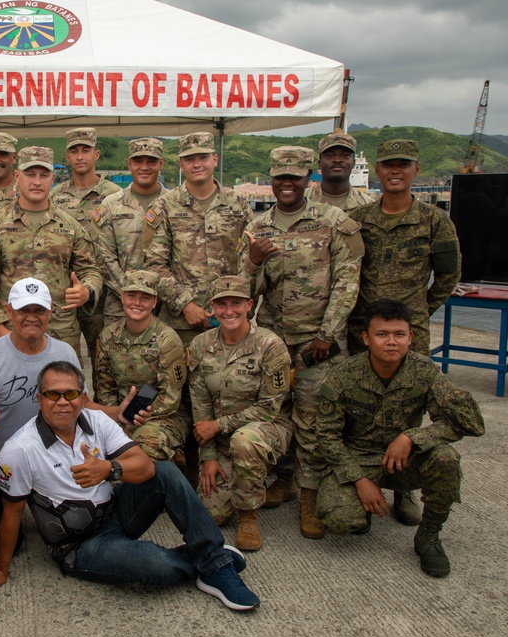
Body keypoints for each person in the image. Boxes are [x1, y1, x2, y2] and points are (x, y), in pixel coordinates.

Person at [0, 360, 260, 612]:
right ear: (39, 398)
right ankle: (207, 556)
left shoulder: (98, 420)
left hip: (115, 514)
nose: (62, 402)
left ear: (83, 397)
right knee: (158, 566)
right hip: (79, 546)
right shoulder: (18, 449)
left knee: (165, 470)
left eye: (71, 394)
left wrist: (109, 469)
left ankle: (215, 562)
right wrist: (2, 569)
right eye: (53, 394)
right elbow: (12, 513)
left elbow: (146, 467)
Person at [239, 146, 364, 539]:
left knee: (312, 417)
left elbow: (347, 281)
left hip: (318, 343)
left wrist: (328, 334)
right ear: (272, 180)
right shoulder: (258, 227)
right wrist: (254, 262)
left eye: (295, 176)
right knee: (278, 412)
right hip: (273, 341)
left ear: (309, 177)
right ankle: (286, 480)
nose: (287, 183)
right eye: (280, 177)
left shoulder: (333, 221)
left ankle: (309, 496)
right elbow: (246, 295)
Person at [316, 299, 484, 577]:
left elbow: (469, 424)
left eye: (399, 334)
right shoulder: (344, 375)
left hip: (407, 460)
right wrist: (359, 480)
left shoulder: (425, 371)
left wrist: (413, 437)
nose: (391, 342)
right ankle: (368, 501)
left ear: (411, 337)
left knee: (446, 459)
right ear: (366, 338)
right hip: (362, 459)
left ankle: (428, 535)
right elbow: (327, 435)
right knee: (340, 519)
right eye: (382, 335)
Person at [0, 277, 80, 556]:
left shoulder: (65, 354)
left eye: (39, 311)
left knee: (75, 531)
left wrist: (116, 413)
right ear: (8, 311)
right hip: (0, 461)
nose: (31, 318)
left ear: (51, 313)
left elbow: (80, 403)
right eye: (24, 310)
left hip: (50, 457)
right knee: (4, 547)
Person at [187, 276, 293, 551]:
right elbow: (200, 403)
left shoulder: (270, 345)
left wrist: (218, 425)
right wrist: (208, 456)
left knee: (244, 441)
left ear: (249, 305)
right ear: (212, 307)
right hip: (220, 439)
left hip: (265, 429)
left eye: (236, 303)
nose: (229, 311)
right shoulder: (200, 344)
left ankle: (248, 517)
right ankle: (244, 473)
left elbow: (270, 407)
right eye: (221, 304)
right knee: (213, 515)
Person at [0, 145, 102, 352]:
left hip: (60, 331)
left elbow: (90, 271)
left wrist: (88, 291)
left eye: (44, 175)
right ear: (17, 176)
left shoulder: (70, 226)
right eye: (30, 174)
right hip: (12, 329)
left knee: (64, 385)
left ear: (53, 178)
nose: (37, 182)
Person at [347, 139, 461, 356]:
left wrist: (419, 309)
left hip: (410, 330)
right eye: (389, 165)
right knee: (359, 386)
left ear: (416, 169)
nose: (395, 172)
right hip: (363, 327)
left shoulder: (434, 220)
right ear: (377, 169)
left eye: (403, 165)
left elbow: (449, 275)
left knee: (411, 386)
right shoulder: (359, 219)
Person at [145, 132, 252, 346]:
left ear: (215, 159)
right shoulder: (164, 206)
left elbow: (249, 260)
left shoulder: (238, 204)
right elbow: (154, 264)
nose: (197, 164)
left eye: (202, 157)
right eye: (189, 159)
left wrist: (236, 305)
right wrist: (186, 305)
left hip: (229, 319)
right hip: (181, 323)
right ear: (181, 165)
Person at [95, 270, 191, 470]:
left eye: (145, 298)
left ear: (154, 302)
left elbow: (170, 399)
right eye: (132, 296)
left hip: (163, 416)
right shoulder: (109, 336)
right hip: (119, 414)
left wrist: (131, 423)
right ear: (122, 297)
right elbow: (105, 389)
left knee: (143, 446)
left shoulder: (167, 340)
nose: (137, 303)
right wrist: (116, 422)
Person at [51, 127, 122, 387]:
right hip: (63, 296)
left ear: (97, 154)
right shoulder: (54, 197)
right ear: (67, 157)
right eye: (74, 151)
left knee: (104, 363)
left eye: (86, 150)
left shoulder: (116, 196)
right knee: (62, 364)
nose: (80, 156)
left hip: (102, 296)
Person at [97, 138, 168, 327]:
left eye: (151, 161)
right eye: (138, 161)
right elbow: (104, 257)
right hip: (121, 305)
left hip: (166, 304)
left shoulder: (174, 203)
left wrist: (162, 293)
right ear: (129, 164)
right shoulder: (111, 205)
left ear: (161, 164)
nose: (144, 167)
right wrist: (133, 294)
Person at [306, 132, 376, 211]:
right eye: (329, 155)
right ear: (319, 163)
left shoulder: (369, 207)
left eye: (345, 155)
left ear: (353, 163)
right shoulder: (301, 201)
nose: (337, 160)